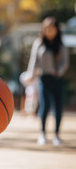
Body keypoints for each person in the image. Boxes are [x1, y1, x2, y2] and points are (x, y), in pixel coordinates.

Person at [27, 16, 69, 146]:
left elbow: (65, 63)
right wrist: (31, 74)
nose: (49, 31)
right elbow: (33, 60)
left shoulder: (61, 45)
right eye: (46, 29)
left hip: (57, 79)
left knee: (58, 107)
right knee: (44, 107)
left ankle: (57, 135)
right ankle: (42, 133)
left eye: (51, 29)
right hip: (43, 79)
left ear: (57, 30)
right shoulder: (38, 43)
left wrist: (59, 72)